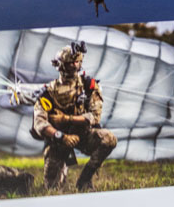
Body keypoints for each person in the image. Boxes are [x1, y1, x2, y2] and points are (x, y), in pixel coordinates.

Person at [32, 42, 116, 192]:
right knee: (53, 189)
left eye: (78, 62)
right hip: (58, 141)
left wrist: (66, 119)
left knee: (109, 139)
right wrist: (61, 136)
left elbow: (95, 116)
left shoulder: (88, 85)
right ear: (61, 65)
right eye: (71, 63)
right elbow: (39, 123)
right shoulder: (49, 92)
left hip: (84, 135)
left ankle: (85, 180)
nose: (75, 65)